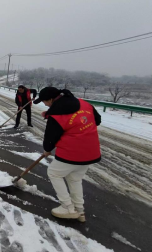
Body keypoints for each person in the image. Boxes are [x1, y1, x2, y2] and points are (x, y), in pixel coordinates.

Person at [33, 87, 101, 222]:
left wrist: (47, 149)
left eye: (45, 101)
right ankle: (79, 210)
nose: (45, 104)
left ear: (52, 99)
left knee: (54, 173)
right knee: (74, 178)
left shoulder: (56, 114)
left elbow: (50, 138)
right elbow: (97, 120)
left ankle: (67, 207)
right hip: (91, 151)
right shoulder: (84, 104)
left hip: (72, 152)